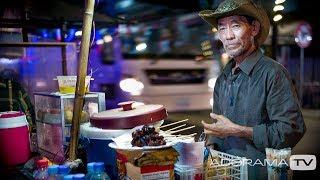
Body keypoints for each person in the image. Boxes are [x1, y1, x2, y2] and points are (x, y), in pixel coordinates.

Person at [199, 0, 306, 179]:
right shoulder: (223, 78)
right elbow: (218, 129)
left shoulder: (273, 73)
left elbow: (292, 130)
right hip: (226, 173)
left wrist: (239, 130)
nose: (228, 36)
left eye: (235, 26)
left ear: (254, 29)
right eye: (222, 28)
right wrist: (211, 148)